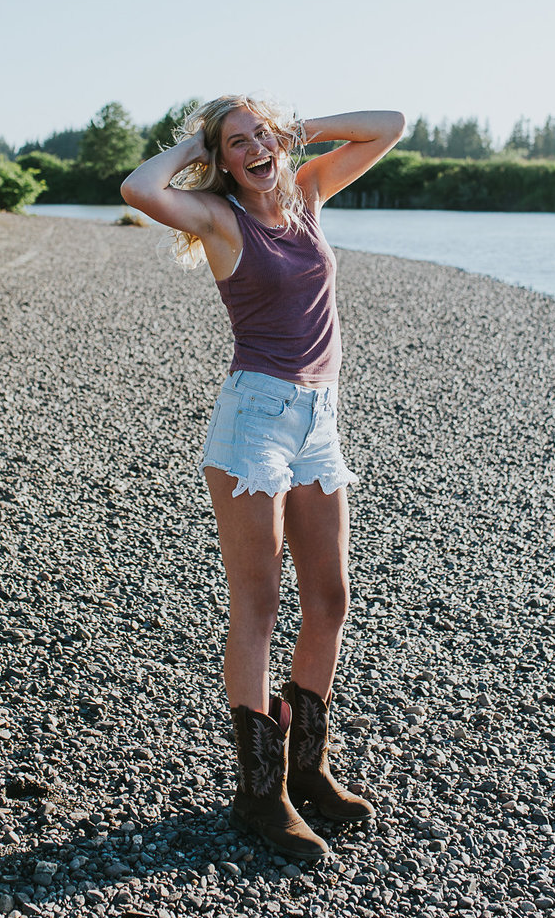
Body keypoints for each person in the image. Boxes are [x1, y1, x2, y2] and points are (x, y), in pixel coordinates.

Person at [121, 96, 405, 860]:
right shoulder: (221, 222)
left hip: (321, 420)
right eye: (235, 144)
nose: (254, 151)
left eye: (262, 137)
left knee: (331, 597)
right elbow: (139, 191)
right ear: (220, 159)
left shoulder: (308, 193)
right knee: (259, 602)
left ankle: (306, 768)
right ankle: (259, 794)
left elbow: (391, 124)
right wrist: (198, 139)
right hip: (255, 424)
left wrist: (297, 129)